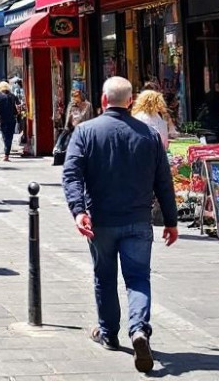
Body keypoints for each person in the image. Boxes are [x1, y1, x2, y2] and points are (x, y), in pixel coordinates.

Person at [62, 76, 178, 373]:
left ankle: (109, 333)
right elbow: (163, 180)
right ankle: (139, 329)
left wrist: (78, 210)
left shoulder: (86, 131)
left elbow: (72, 174)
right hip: (138, 218)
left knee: (104, 277)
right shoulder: (149, 134)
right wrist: (171, 220)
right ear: (130, 101)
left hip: (100, 219)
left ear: (103, 100)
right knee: (138, 278)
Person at [0, 81, 21, 161]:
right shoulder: (12, 95)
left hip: (1, 118)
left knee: (4, 135)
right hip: (12, 118)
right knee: (10, 136)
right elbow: (18, 104)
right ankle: (6, 154)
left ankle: (6, 153)